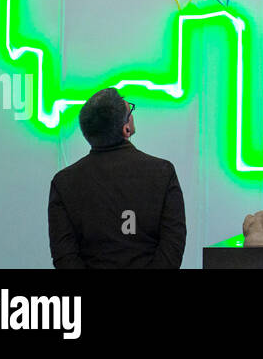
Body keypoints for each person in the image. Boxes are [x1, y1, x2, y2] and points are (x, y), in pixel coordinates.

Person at [47, 88, 186, 268]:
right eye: (130, 111)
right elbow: (172, 246)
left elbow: (64, 258)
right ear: (125, 128)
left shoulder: (64, 183)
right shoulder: (162, 173)